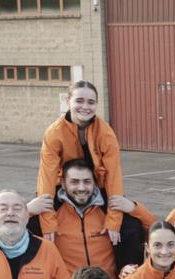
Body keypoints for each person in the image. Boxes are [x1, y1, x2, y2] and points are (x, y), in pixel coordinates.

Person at [28, 159, 155, 279]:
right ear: (62, 183)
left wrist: (134, 208)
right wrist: (27, 211)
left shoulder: (111, 210)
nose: (81, 188)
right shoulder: (49, 213)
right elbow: (16, 235)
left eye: (87, 181)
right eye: (74, 182)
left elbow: (156, 230)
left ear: (95, 182)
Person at [36, 80, 124, 244]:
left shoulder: (106, 134)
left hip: (98, 187)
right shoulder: (54, 134)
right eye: (79, 101)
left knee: (129, 227)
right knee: (34, 225)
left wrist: (114, 221)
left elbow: (114, 176)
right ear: (68, 100)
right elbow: (46, 179)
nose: (85, 106)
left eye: (91, 102)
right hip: (66, 186)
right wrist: (48, 225)